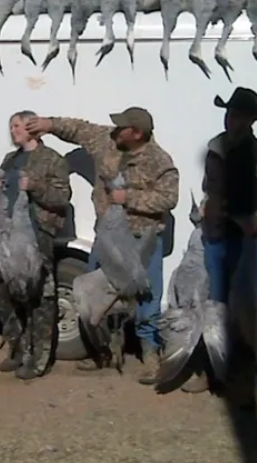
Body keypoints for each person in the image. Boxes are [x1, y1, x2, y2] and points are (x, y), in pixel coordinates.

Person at [25, 107, 179, 384]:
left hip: (141, 240)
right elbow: (78, 129)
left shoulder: (159, 161)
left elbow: (169, 198)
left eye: (123, 127)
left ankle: (150, 354)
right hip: (107, 237)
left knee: (147, 298)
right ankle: (104, 352)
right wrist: (49, 124)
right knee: (95, 295)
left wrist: (128, 198)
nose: (116, 130)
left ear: (137, 133)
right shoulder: (106, 140)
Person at [188, 87, 257, 408]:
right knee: (213, 308)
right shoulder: (215, 147)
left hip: (249, 244)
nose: (231, 119)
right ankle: (213, 371)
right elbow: (210, 188)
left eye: (238, 114)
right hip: (217, 240)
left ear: (251, 120)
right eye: (229, 113)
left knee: (255, 312)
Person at [0, 111, 71, 380]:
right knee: (7, 293)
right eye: (11, 125)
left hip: (38, 235)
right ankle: (17, 350)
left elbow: (62, 198)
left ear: (32, 128)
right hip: (8, 235)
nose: (12, 130)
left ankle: (39, 359)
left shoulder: (52, 159)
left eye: (17, 125)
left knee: (40, 296)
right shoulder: (10, 159)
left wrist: (35, 186)